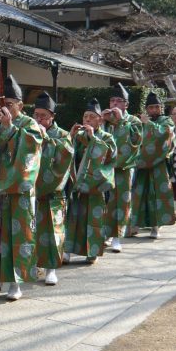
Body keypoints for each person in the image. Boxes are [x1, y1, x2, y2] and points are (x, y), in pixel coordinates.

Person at [0, 75, 44, 301]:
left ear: (20, 105)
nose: (3, 109)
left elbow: (31, 149)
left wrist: (9, 127)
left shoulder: (29, 124)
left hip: (18, 191)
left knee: (17, 235)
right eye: (1, 105)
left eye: (8, 104)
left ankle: (16, 282)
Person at [63, 98, 116, 263]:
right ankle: (67, 250)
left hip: (96, 185)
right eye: (85, 116)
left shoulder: (106, 137)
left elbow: (110, 156)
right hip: (78, 183)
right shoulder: (79, 136)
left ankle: (92, 252)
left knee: (94, 218)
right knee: (73, 217)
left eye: (91, 117)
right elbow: (68, 155)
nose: (87, 120)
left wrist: (93, 140)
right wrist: (70, 137)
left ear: (100, 119)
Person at [33, 91, 74, 284]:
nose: (39, 119)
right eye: (36, 115)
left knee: (53, 231)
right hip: (31, 191)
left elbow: (64, 158)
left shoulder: (63, 135)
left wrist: (47, 139)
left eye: (44, 115)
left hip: (53, 193)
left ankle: (51, 268)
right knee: (31, 231)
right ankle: (34, 265)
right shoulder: (29, 131)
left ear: (52, 116)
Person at [101, 83, 142, 253]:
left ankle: (117, 236)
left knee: (121, 201)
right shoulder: (106, 119)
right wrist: (101, 121)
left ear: (126, 104)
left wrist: (122, 121)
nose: (115, 104)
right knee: (104, 201)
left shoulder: (134, 121)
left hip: (124, 167)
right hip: (104, 167)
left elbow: (136, 142)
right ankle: (105, 233)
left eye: (119, 101)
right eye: (112, 101)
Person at [129, 91, 174, 239]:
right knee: (139, 194)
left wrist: (148, 124)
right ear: (146, 109)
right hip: (141, 164)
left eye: (157, 107)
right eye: (151, 107)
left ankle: (156, 227)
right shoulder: (139, 121)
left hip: (159, 164)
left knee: (157, 195)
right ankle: (135, 225)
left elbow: (164, 134)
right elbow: (133, 138)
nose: (154, 110)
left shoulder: (167, 121)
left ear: (161, 108)